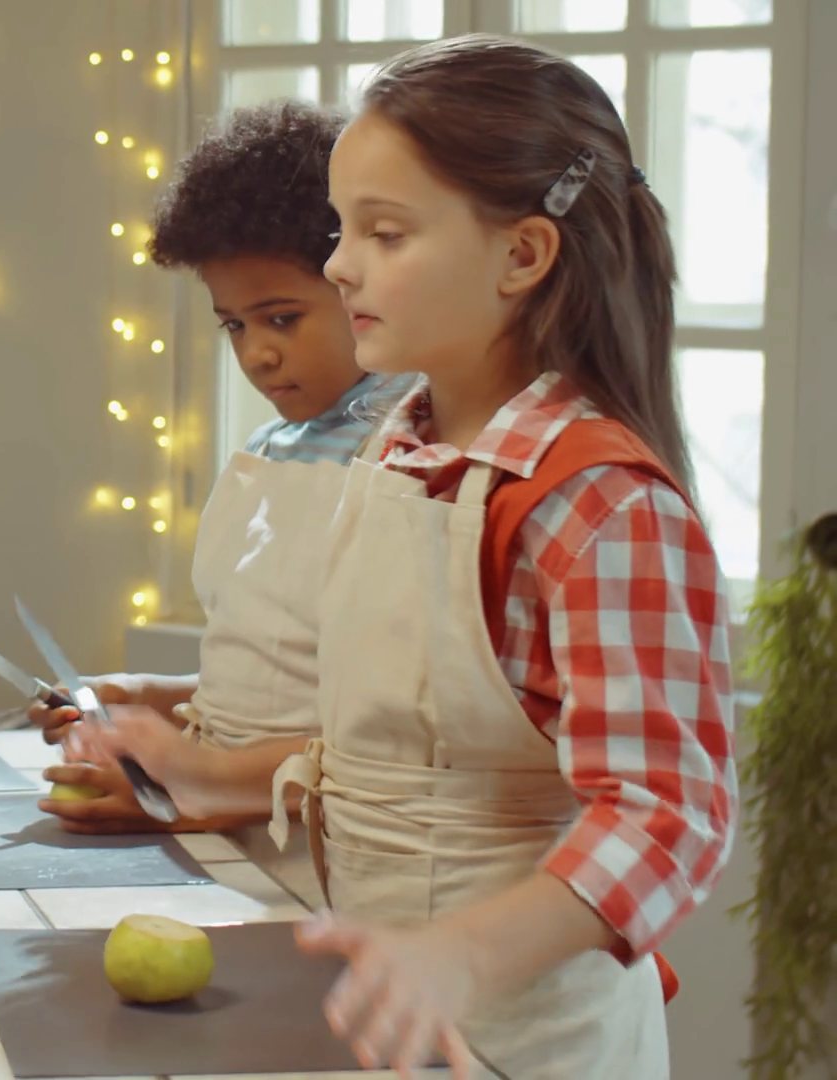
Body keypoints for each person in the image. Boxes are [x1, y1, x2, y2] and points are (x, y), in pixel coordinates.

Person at [72, 34, 735, 1078]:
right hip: (380, 1023)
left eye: (384, 232)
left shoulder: (598, 502)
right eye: (343, 229)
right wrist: (194, 768)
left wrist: (462, 956)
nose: (341, 263)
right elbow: (386, 740)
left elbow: (668, 821)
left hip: (529, 1043)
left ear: (523, 256)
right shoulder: (396, 451)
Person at [29, 100, 413, 909]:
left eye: (282, 318)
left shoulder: (412, 462)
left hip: (334, 875)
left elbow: (391, 746)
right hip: (231, 854)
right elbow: (274, 677)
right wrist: (149, 695)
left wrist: (193, 784)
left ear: (359, 280)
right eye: (233, 325)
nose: (258, 353)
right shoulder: (271, 451)